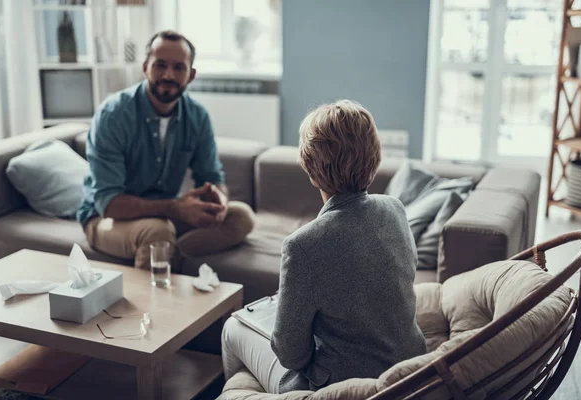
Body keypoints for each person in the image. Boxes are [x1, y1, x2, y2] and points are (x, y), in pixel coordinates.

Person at [221, 100, 426, 393]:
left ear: (310, 168)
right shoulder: (395, 209)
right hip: (409, 370)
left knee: (232, 329)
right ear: (375, 156)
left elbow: (292, 355)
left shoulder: (303, 245)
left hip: (344, 387)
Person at [77, 30, 255, 269]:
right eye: (160, 65)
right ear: (144, 67)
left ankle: (171, 254)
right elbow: (109, 204)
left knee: (240, 216)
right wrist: (176, 208)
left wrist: (218, 201)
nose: (168, 75)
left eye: (179, 68)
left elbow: (212, 177)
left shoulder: (197, 116)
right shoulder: (113, 115)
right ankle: (151, 299)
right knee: (157, 233)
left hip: (163, 214)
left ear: (191, 75)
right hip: (106, 219)